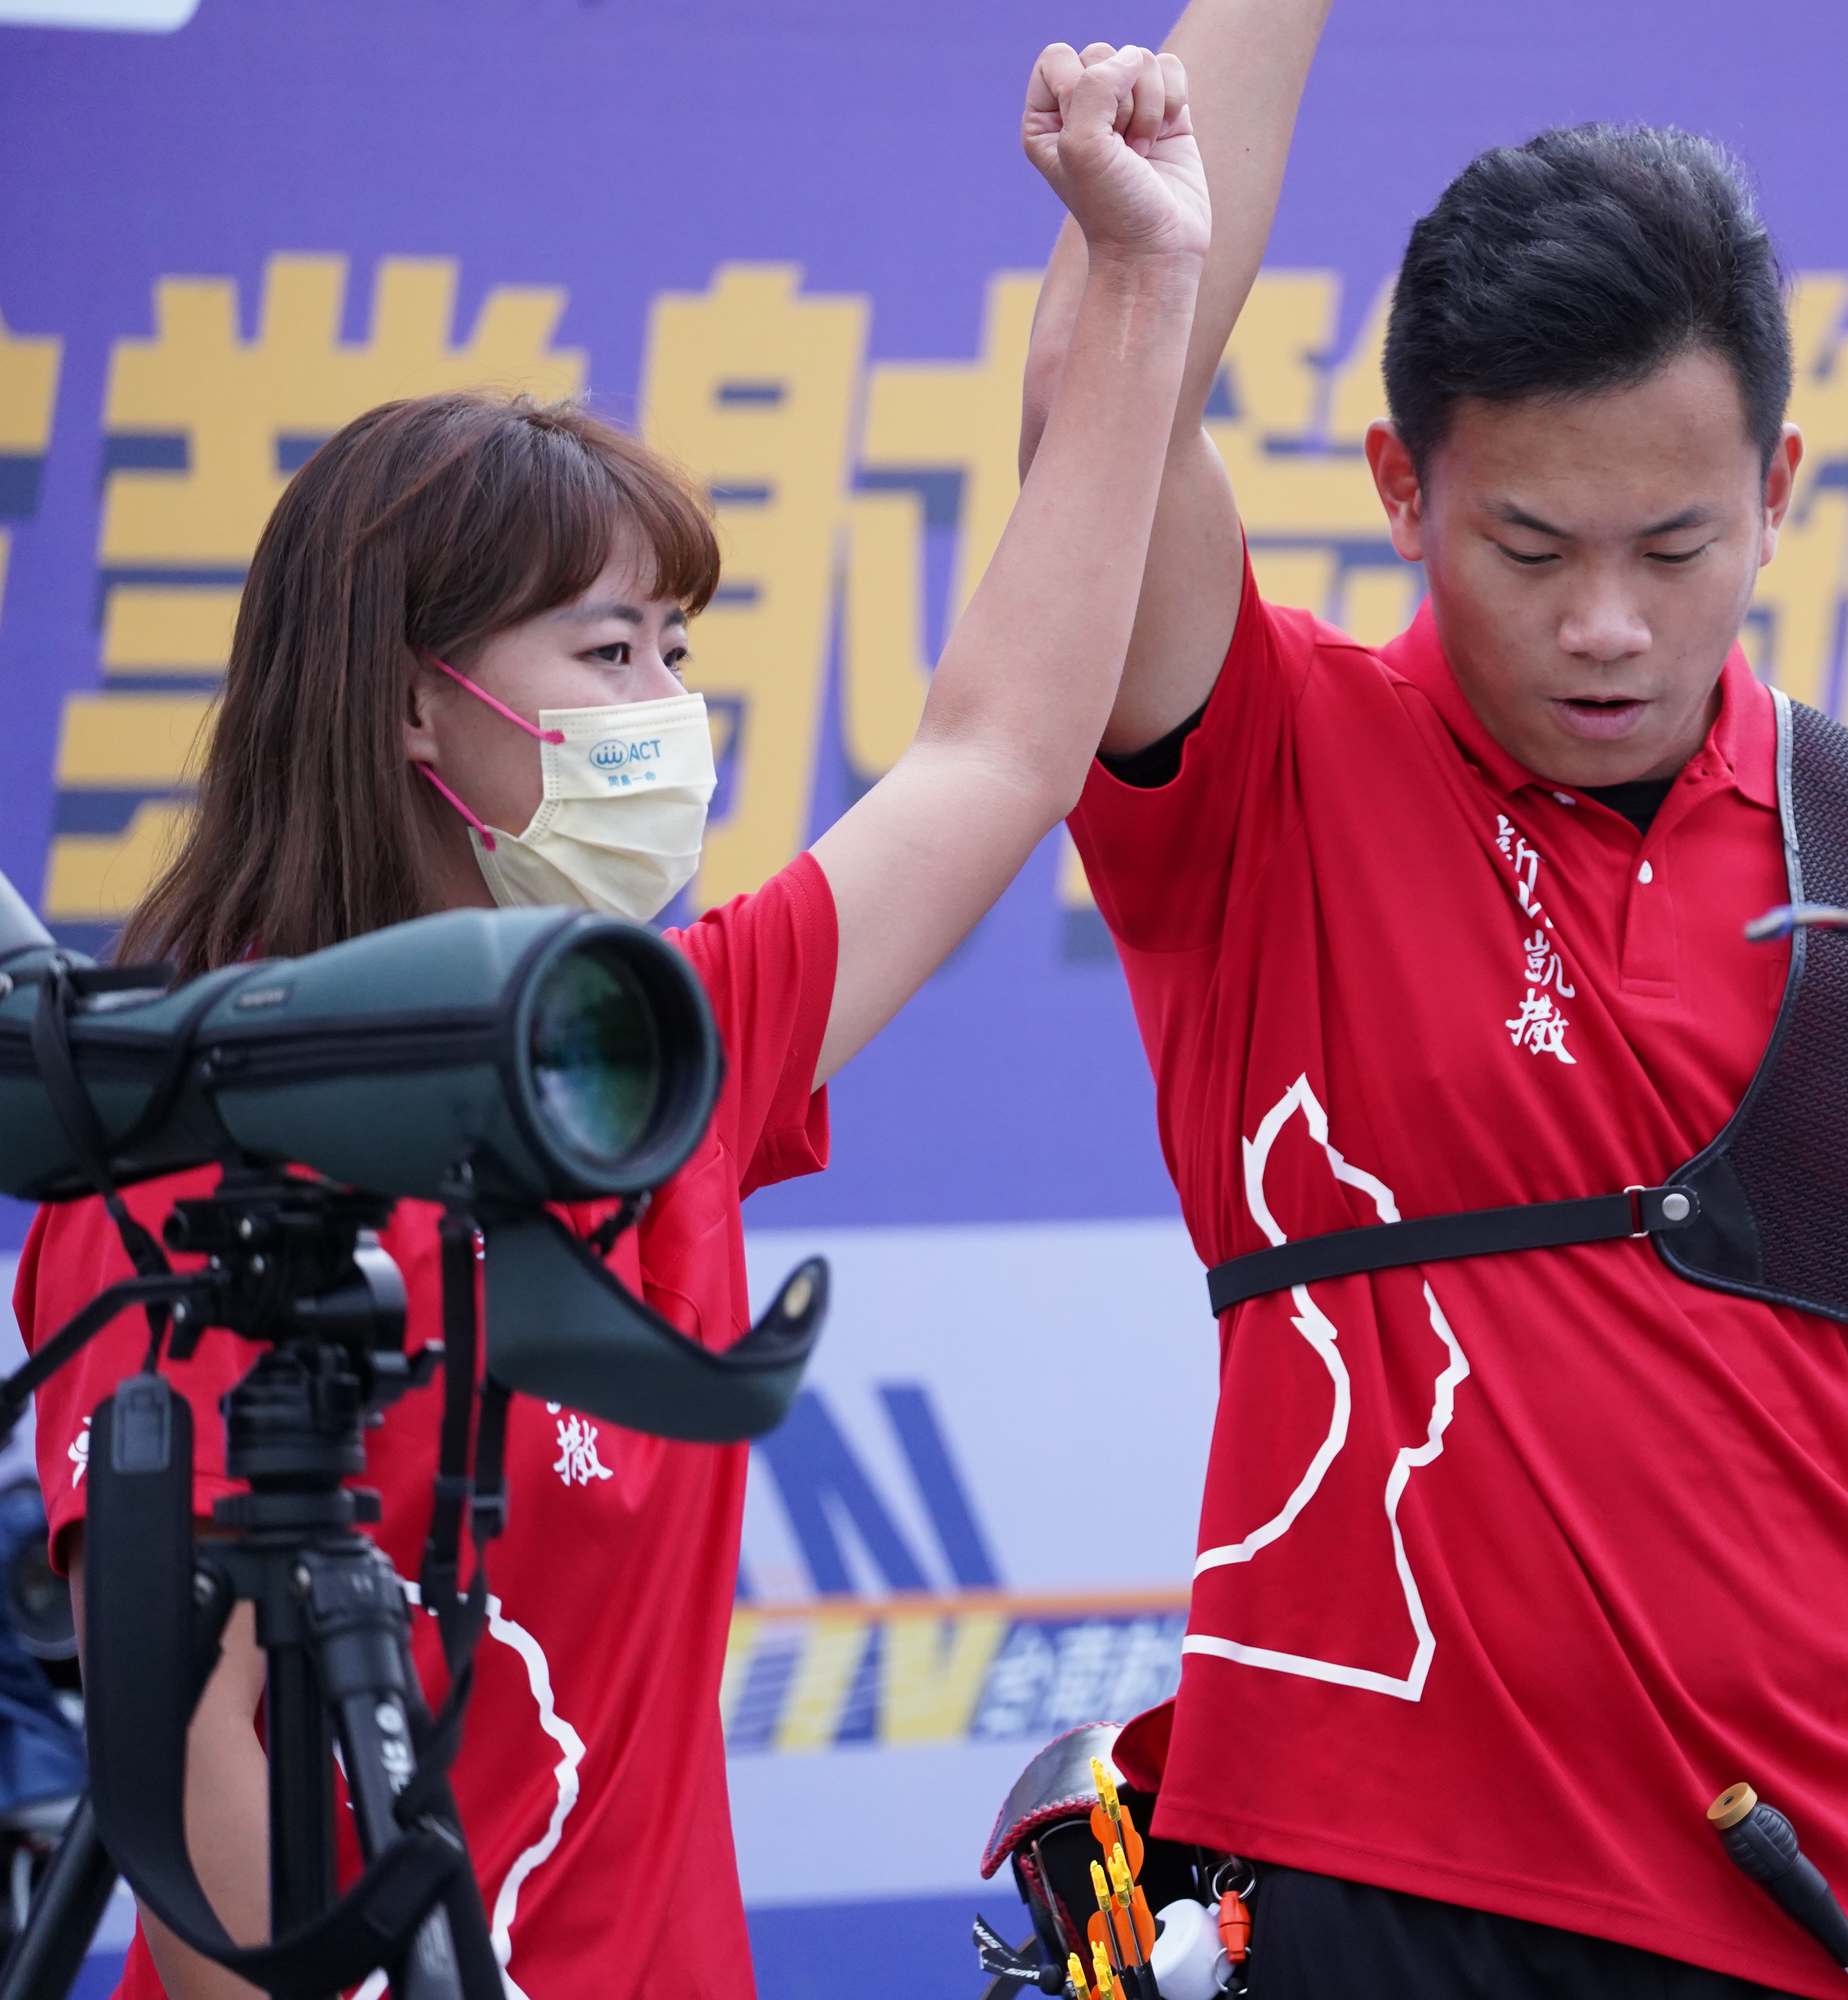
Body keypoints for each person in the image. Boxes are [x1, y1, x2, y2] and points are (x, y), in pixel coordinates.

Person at [1022, 10, 1848, 1996]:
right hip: (1363, 1904)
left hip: (1845, 1919)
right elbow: (1099, 431)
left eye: (1676, 546)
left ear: (1780, 488)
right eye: (1532, 547)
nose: (1607, 624)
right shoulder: (1266, 767)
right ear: (1399, 486)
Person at [10, 41, 1208, 2000]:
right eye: (607, 649)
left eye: (678, 648)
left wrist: (1146, 276)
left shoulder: (662, 1052)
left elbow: (1002, 746)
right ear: (416, 708)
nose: (667, 708)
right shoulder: (172, 1135)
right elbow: (201, 1771)